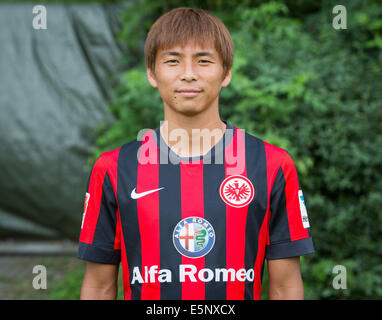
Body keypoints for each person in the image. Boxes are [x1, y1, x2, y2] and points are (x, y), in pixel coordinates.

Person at [77, 7, 314, 300]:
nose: (188, 74)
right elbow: (99, 287)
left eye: (203, 61)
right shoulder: (114, 168)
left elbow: (285, 286)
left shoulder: (272, 165)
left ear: (226, 72)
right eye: (173, 61)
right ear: (152, 73)